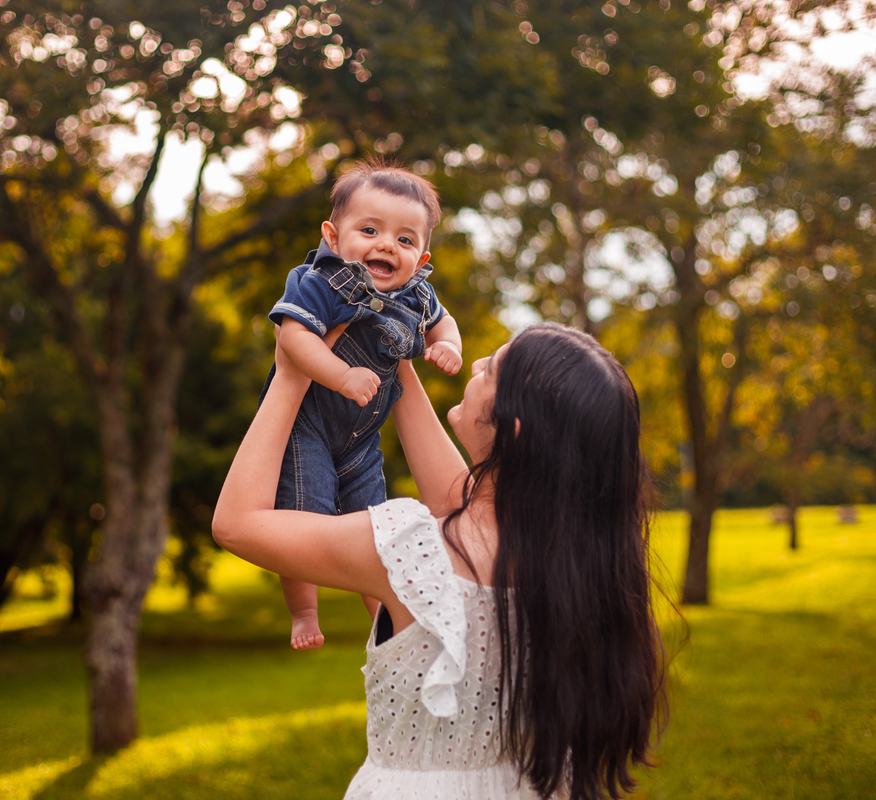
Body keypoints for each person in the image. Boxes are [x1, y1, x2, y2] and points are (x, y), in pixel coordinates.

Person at [214, 322, 666, 800]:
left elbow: (237, 523)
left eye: (490, 369)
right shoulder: (581, 562)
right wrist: (389, 336)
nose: (474, 365)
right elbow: (459, 500)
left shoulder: (412, 547)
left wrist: (290, 373)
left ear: (512, 429)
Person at [265, 159, 464, 650]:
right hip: (307, 426)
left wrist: (449, 346)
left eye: (404, 239)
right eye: (370, 229)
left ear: (421, 258)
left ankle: (383, 620)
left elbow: (445, 323)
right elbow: (293, 339)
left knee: (377, 526)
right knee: (299, 517)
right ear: (333, 237)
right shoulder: (320, 281)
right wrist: (339, 373)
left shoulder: (418, 295)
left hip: (361, 441)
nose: (385, 245)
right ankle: (304, 612)